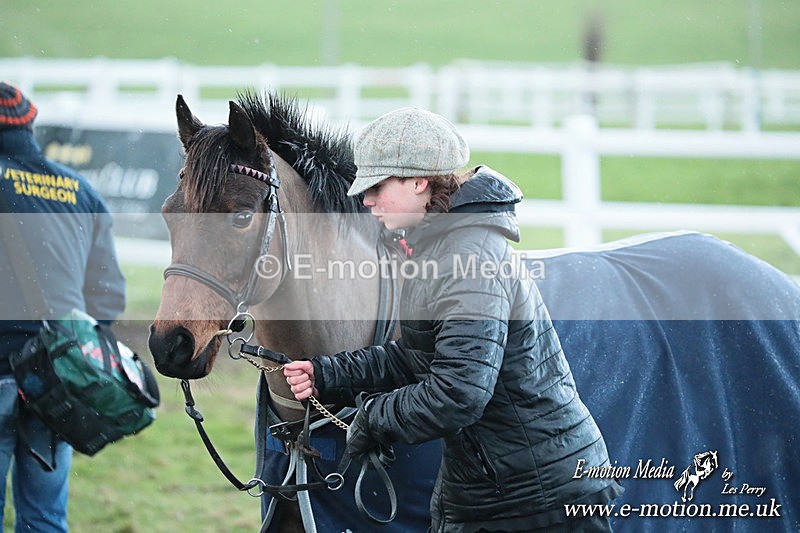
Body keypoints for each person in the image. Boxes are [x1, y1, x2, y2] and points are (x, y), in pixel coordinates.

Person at [283, 107, 622, 532]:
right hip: (498, 489)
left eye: (377, 186)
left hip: (536, 500)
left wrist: (373, 417)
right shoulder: (441, 247)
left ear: (419, 182)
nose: (366, 200)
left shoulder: (467, 257)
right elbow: (419, 356)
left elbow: (458, 393)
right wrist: (330, 373)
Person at [0, 82, 126, 531]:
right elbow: (109, 297)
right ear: (29, 125)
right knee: (46, 516)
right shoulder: (80, 191)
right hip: (56, 379)